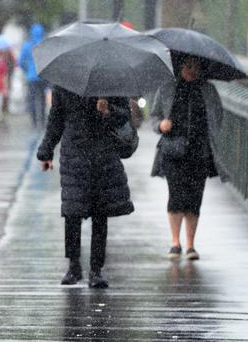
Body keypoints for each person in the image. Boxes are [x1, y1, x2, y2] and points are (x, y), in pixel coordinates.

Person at [37, 87, 135, 288]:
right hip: (74, 154)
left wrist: (108, 110)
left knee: (101, 213)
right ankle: (73, 266)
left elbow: (125, 116)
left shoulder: (111, 83)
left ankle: (96, 269)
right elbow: (56, 119)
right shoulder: (63, 84)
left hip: (103, 154)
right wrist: (46, 151)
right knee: (72, 212)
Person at [150, 55, 229, 261]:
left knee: (195, 198)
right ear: (180, 67)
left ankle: (191, 245)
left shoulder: (208, 90)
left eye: (196, 66)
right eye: (187, 66)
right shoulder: (167, 88)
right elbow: (154, 116)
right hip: (172, 150)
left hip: (200, 151)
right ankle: (175, 243)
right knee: (176, 195)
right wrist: (161, 125)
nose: (191, 70)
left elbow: (218, 117)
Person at [19, 24, 47, 128]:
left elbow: (21, 61)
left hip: (31, 77)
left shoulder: (27, 46)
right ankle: (43, 121)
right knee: (42, 99)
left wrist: (27, 71)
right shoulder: (45, 44)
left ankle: (34, 122)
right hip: (43, 76)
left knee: (33, 99)